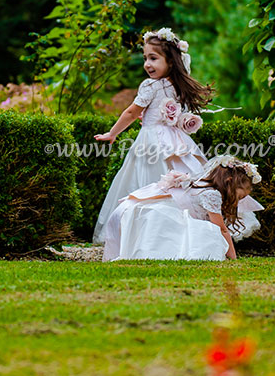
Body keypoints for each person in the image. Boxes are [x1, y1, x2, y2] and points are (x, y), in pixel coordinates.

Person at [92, 27, 214, 244]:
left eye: (153, 58)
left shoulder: (150, 85)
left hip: (151, 142)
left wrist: (112, 133)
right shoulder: (177, 85)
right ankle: (178, 230)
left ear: (170, 61)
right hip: (177, 140)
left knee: (146, 180)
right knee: (178, 180)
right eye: (145, 58)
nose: (147, 64)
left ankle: (145, 234)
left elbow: (131, 112)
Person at [102, 155, 264, 261]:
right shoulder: (212, 194)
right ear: (229, 182)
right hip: (156, 211)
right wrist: (233, 258)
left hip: (159, 207)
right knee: (200, 234)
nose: (239, 201)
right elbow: (221, 229)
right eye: (241, 196)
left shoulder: (203, 187)